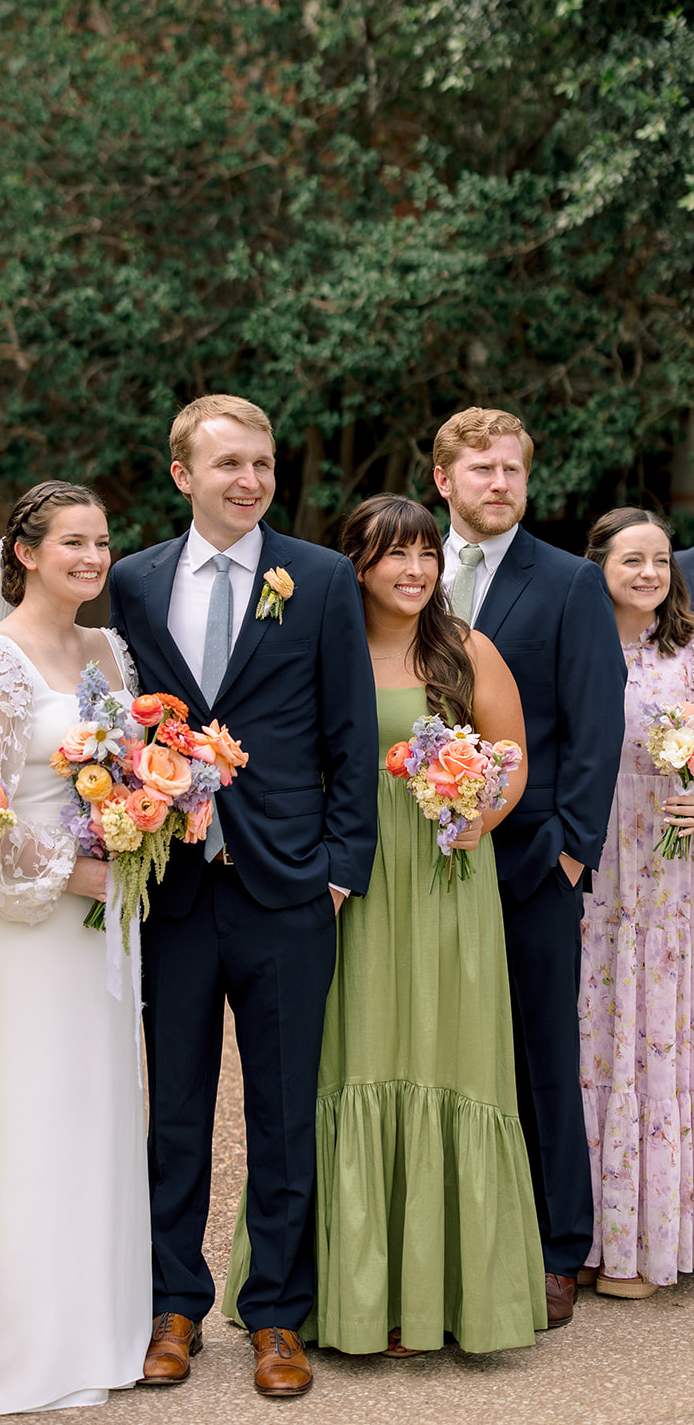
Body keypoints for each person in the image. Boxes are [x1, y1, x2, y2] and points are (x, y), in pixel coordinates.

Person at [108, 395, 377, 1399]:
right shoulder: (132, 581)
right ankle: (172, 1302)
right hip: (172, 889)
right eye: (226, 463)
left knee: (281, 1111)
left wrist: (338, 867)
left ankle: (275, 1314)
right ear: (181, 472)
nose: (248, 479)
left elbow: (348, 731)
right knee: (171, 1110)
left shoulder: (314, 577)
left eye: (260, 463)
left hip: (286, 889)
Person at [253, 493, 545, 1353]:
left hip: (449, 880)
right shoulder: (318, 646)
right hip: (356, 882)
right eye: (393, 555)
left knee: (449, 1058)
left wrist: (477, 815)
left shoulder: (467, 650)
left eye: (425, 553)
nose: (415, 569)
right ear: (355, 567)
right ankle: (355, 1298)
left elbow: (512, 757)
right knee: (355, 1058)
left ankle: (452, 1297)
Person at [0, 481, 151, 1415]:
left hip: (107, 916)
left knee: (97, 1109)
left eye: (100, 542)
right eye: (71, 543)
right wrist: (70, 868)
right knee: (26, 1111)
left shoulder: (109, 650)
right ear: (23, 554)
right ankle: (14, 1345)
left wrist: (145, 828)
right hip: (24, 923)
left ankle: (97, 1327)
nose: (92, 559)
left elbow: (137, 764)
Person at [432, 407, 626, 1330]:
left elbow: (595, 728)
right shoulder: (398, 573)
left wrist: (570, 855)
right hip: (413, 862)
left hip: (529, 861)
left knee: (543, 1052)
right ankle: (449, 1231)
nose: (500, 484)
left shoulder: (571, 582)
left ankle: (556, 1249)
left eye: (511, 469)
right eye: (481, 470)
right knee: (437, 1044)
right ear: (444, 481)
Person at [580, 509, 694, 1296]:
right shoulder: (577, 652)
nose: (649, 573)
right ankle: (592, 1238)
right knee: (597, 1033)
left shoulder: (687, 655)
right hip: (597, 883)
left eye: (659, 560)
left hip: (672, 885)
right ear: (600, 567)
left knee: (666, 1034)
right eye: (632, 560)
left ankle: (660, 1238)